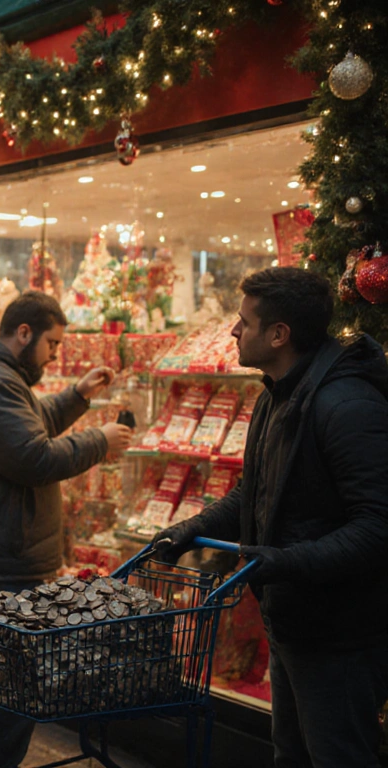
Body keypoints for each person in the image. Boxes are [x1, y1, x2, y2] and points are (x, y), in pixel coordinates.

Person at [153, 268, 388, 768]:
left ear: (279, 334)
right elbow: (252, 492)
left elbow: (377, 526)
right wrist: (192, 528)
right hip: (291, 623)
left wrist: (283, 561)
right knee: (292, 756)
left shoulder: (346, 405)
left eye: (244, 322)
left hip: (339, 636)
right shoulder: (276, 396)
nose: (234, 331)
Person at [0, 291, 133, 768]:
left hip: (4, 547)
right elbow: (32, 456)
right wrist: (98, 442)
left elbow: (29, 425)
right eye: (53, 344)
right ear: (24, 334)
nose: (55, 355)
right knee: (10, 688)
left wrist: (77, 396)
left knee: (11, 684)